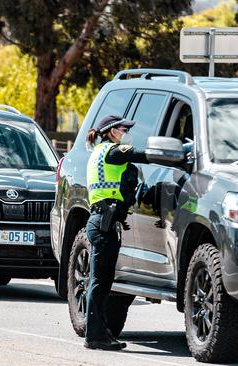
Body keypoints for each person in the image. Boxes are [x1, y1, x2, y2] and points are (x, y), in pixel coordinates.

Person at [83, 114, 149, 351]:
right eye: (122, 129)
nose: (125, 133)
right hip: (104, 223)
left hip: (102, 221)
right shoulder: (111, 152)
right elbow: (140, 155)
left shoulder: (99, 152)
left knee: (100, 281)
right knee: (100, 283)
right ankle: (95, 336)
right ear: (111, 131)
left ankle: (100, 333)